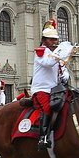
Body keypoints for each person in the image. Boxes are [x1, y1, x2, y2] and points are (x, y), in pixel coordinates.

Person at [31, 18, 70, 150]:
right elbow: (48, 63)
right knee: (47, 108)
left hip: (55, 90)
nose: (54, 42)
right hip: (41, 89)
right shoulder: (41, 52)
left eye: (55, 40)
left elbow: (62, 71)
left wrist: (65, 75)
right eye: (51, 40)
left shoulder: (54, 54)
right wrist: (61, 51)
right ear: (44, 40)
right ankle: (43, 137)